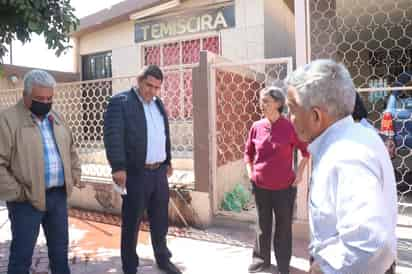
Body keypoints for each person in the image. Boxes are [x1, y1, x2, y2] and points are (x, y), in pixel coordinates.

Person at [285, 59, 397, 274]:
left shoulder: (346, 155)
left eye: (292, 109)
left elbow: (370, 245)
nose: (290, 118)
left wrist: (325, 269)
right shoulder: (353, 138)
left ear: (316, 116)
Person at [0, 70, 82, 274]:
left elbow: (71, 149)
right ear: (25, 95)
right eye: (39, 99)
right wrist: (18, 193)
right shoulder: (7, 120)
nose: (45, 103)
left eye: (49, 98)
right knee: (21, 257)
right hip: (26, 200)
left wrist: (74, 174)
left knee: (60, 253)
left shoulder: (56, 117)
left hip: (58, 196)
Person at [103, 65, 181, 274]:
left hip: (158, 174)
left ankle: (163, 259)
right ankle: (130, 266)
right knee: (132, 222)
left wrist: (168, 161)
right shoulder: (121, 102)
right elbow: (113, 136)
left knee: (160, 220)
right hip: (136, 173)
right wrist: (118, 167)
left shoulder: (158, 104)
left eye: (157, 87)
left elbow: (163, 134)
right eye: (149, 85)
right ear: (139, 81)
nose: (152, 91)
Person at [244, 87, 310, 274]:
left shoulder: (290, 127)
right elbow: (248, 152)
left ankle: (282, 265)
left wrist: (299, 173)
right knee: (262, 225)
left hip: (284, 188)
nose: (261, 104)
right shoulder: (256, 126)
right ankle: (260, 261)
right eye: (261, 100)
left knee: (283, 228)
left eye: (266, 101)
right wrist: (250, 172)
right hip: (261, 186)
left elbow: (305, 151)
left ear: (278, 104)